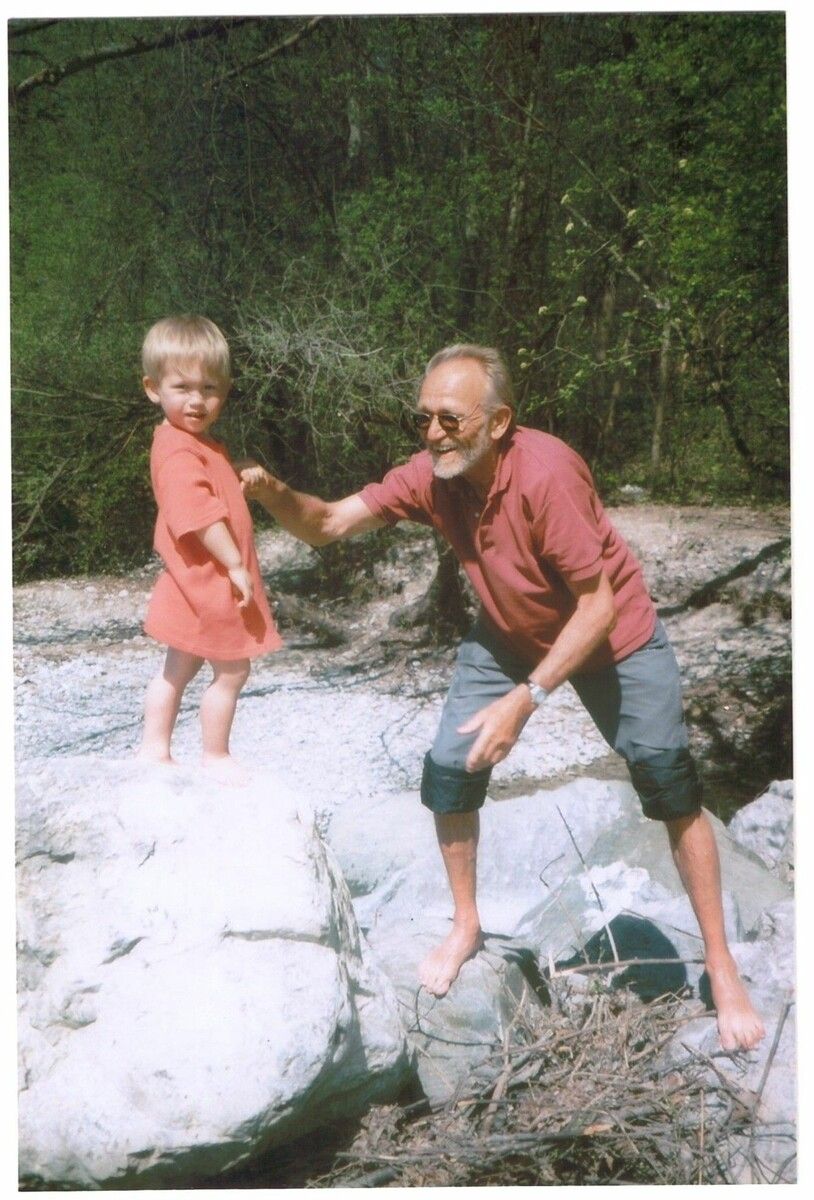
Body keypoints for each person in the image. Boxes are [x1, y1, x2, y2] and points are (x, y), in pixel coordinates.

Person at [240, 342, 765, 1051]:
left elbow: (597, 606)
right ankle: (466, 924)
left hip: (615, 638)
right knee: (449, 770)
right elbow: (327, 523)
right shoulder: (435, 478)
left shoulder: (545, 475)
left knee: (670, 786)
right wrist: (272, 493)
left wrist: (527, 700)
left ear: (498, 421)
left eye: (450, 420)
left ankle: (723, 965)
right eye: (423, 418)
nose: (433, 434)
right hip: (510, 632)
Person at [137, 315, 281, 781]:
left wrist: (238, 470)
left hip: (191, 582)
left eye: (210, 388)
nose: (197, 400)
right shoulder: (179, 450)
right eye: (182, 387)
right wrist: (236, 564)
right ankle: (214, 756)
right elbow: (197, 513)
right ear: (153, 388)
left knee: (177, 668)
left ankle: (154, 751)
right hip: (210, 582)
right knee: (233, 670)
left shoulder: (190, 443)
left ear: (226, 389)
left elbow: (210, 483)